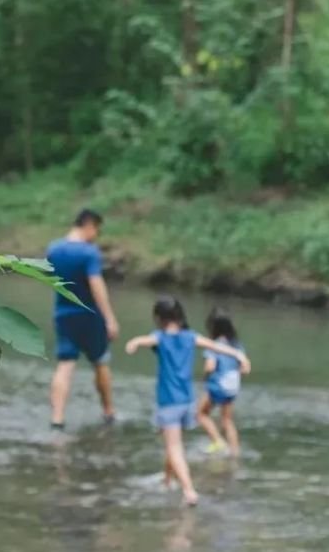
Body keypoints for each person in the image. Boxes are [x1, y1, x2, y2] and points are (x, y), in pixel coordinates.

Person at [125, 296, 250, 506]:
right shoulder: (191, 337)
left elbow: (145, 341)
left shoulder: (160, 337)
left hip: (169, 402)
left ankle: (189, 490)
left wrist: (134, 342)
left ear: (158, 318)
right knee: (173, 444)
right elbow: (216, 347)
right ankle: (167, 480)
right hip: (187, 401)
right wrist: (240, 356)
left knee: (174, 447)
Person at [46, 209, 120, 430]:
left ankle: (57, 417)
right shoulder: (89, 253)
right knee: (100, 361)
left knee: (65, 364)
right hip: (90, 315)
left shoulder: (54, 249)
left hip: (63, 312)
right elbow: (96, 285)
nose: (96, 234)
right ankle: (108, 411)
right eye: (96, 229)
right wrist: (110, 318)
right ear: (89, 225)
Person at [197, 308, 244, 456]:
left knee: (200, 414)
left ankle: (217, 441)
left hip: (218, 385)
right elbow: (242, 367)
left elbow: (210, 366)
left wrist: (204, 377)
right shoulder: (237, 344)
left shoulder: (214, 344)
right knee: (227, 421)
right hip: (232, 385)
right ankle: (235, 452)